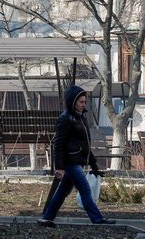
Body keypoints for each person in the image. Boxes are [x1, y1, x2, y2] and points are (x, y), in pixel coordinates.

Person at [38, 85, 115, 227]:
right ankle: (97, 219)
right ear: (72, 101)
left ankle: (47, 218)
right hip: (70, 162)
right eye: (81, 102)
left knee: (62, 191)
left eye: (85, 102)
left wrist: (94, 165)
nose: (83, 105)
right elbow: (58, 144)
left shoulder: (81, 118)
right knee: (85, 189)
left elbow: (85, 145)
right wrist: (59, 167)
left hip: (77, 162)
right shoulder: (65, 119)